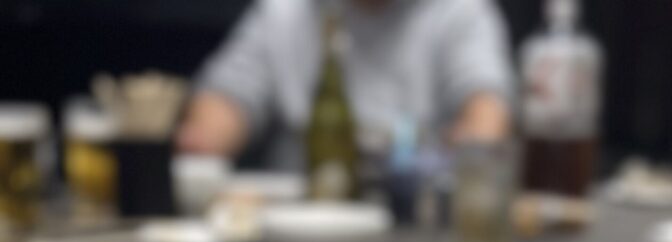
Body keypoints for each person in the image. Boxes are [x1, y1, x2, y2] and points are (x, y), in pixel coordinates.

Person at [177, 0, 514, 168]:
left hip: (417, 229)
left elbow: (487, 114)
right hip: (298, 235)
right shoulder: (285, 12)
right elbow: (228, 95)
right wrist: (203, 141)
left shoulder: (459, 11)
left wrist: (476, 143)